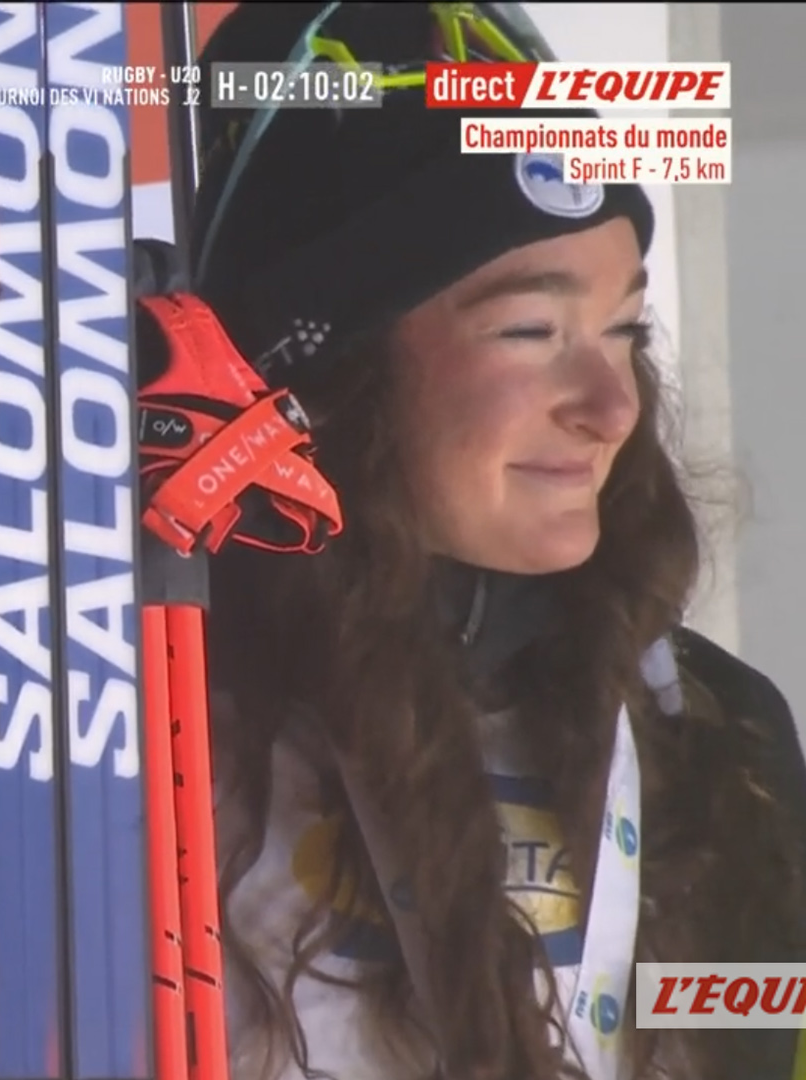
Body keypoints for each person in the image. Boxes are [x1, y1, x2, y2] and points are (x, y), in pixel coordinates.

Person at [178, 4, 806, 1079]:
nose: (611, 407)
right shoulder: (142, 712)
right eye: (531, 331)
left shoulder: (717, 732)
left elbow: (761, 1048)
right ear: (338, 372)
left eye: (624, 330)